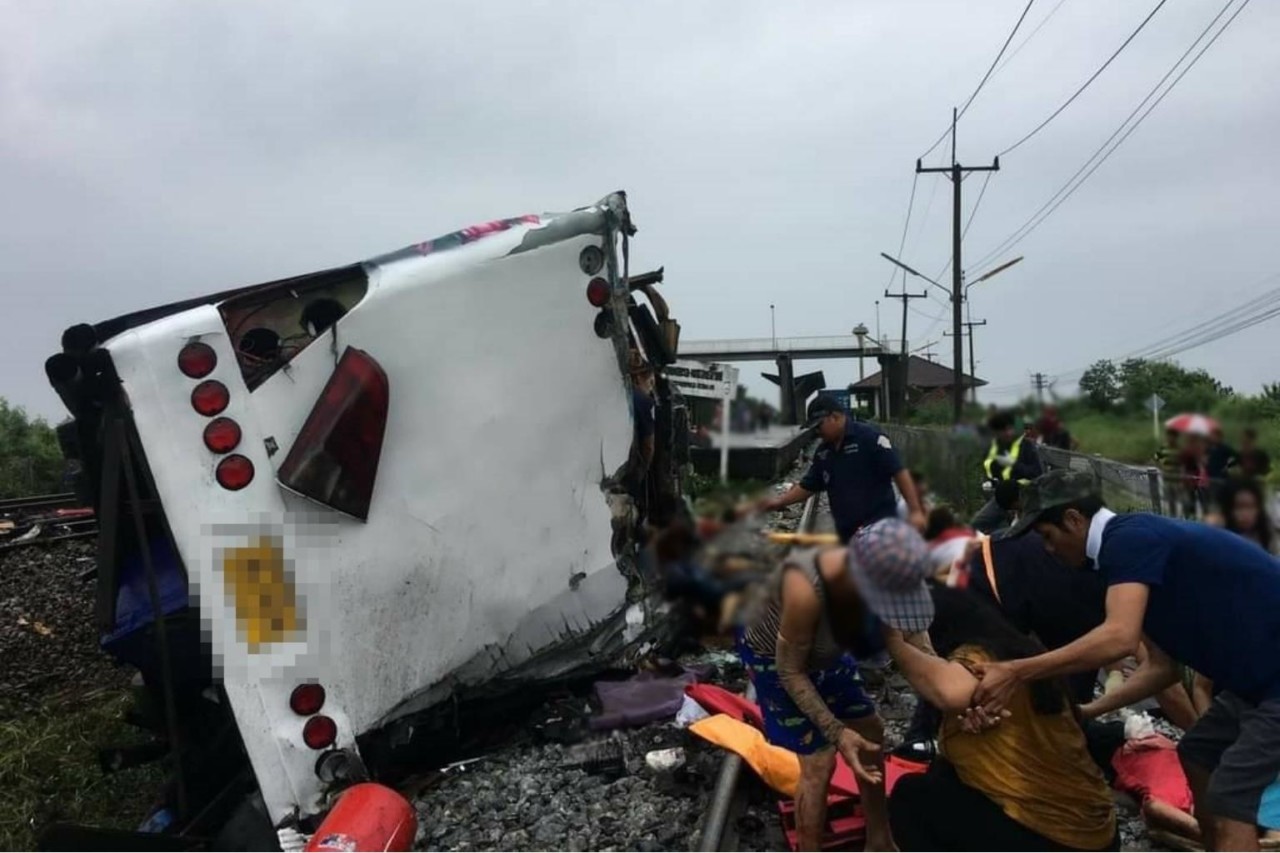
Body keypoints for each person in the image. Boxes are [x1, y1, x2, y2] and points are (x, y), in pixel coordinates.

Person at [974, 470, 1280, 851]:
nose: (1048, 551)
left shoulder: (1128, 540)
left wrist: (1015, 672)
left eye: (1048, 538)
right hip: (1256, 683)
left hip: (1273, 683)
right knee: (1197, 753)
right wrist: (1089, 710)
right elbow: (1162, 667)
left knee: (1232, 793)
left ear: (1073, 519)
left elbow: (1119, 637)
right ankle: (1217, 843)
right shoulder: (1125, 558)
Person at [736, 518, 936, 852]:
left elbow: (920, 645)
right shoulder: (809, 590)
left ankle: (879, 840)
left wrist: (959, 691)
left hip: (825, 652)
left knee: (871, 732)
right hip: (775, 656)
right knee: (819, 762)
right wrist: (837, 732)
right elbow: (791, 672)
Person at [884, 588, 1118, 851]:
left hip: (1053, 837)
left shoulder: (981, 663)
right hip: (1098, 832)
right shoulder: (1026, 657)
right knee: (943, 773)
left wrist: (894, 643)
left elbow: (947, 691)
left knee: (911, 795)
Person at [749, 394, 925, 538]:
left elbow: (899, 472)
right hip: (848, 533)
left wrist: (915, 511)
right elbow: (808, 485)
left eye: (819, 426)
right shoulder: (823, 453)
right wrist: (779, 502)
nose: (817, 432)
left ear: (835, 417)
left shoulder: (870, 439)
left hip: (879, 529)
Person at [971, 410, 1043, 534]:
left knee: (1022, 530)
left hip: (1023, 497)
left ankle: (1009, 536)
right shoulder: (999, 446)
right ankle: (1002, 537)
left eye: (1009, 429)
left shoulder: (1028, 447)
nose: (1006, 433)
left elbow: (1037, 473)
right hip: (1002, 497)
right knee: (977, 524)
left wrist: (1014, 464)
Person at [1214, 478, 1278, 556]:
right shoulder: (1219, 534)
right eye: (1240, 507)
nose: (1246, 514)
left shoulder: (1266, 534)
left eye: (1251, 507)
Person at [1154, 428, 1184, 518]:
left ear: (1176, 437)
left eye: (1173, 437)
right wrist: (1161, 467)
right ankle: (1172, 516)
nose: (1170, 438)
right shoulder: (1163, 448)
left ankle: (1180, 517)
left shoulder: (1180, 449)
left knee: (1179, 499)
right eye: (1169, 436)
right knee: (1170, 499)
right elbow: (1155, 458)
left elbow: (1184, 462)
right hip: (1167, 478)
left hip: (1177, 478)